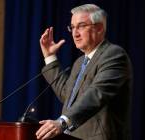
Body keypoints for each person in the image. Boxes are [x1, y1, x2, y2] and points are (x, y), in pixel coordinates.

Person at [36, 4, 133, 140]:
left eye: (81, 26)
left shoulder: (114, 55)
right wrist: (50, 57)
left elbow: (96, 94)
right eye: (72, 27)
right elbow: (68, 96)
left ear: (99, 28)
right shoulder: (80, 62)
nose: (75, 33)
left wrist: (63, 122)